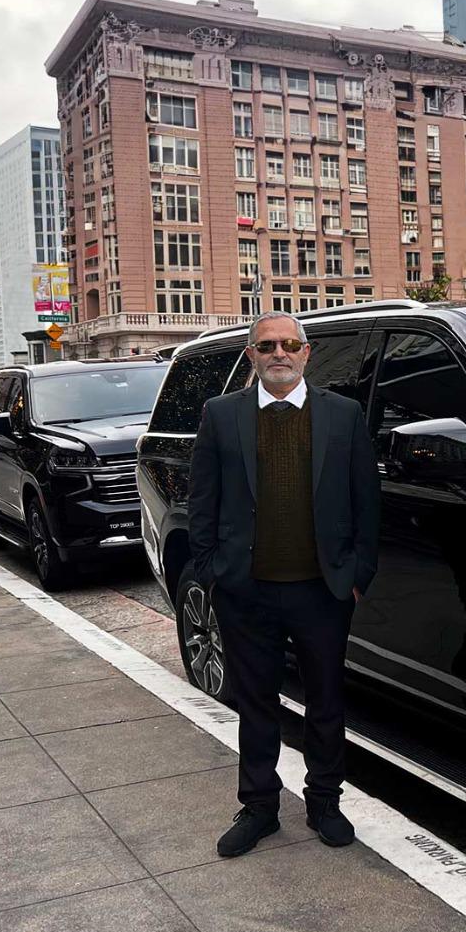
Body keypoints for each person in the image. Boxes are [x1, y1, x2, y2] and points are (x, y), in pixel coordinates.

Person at [188, 312, 380, 857]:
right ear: (251, 354)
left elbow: (367, 503)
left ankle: (324, 802)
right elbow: (201, 501)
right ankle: (259, 808)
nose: (279, 352)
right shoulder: (221, 416)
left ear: (306, 353)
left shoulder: (343, 416)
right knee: (255, 703)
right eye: (267, 344)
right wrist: (212, 571)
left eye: (289, 344)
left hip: (322, 590)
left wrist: (358, 575)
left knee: (325, 702)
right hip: (245, 590)